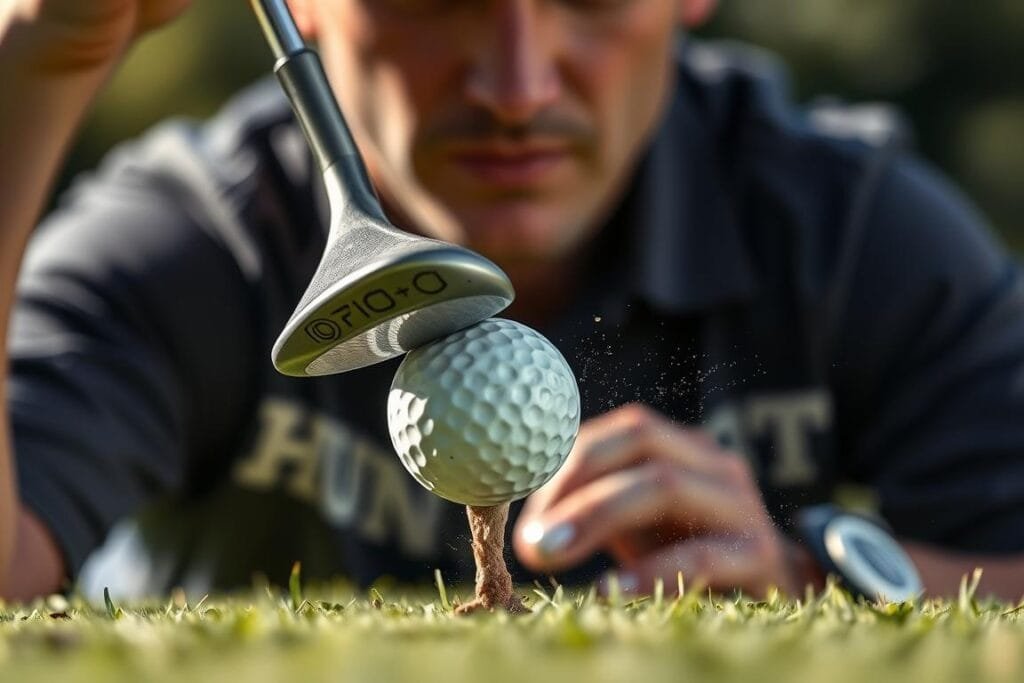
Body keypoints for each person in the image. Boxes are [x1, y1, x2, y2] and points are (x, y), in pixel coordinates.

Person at [3, 0, 1024, 603]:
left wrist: (807, 573)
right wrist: (37, 66)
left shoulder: (846, 228)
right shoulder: (191, 243)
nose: (518, 85)